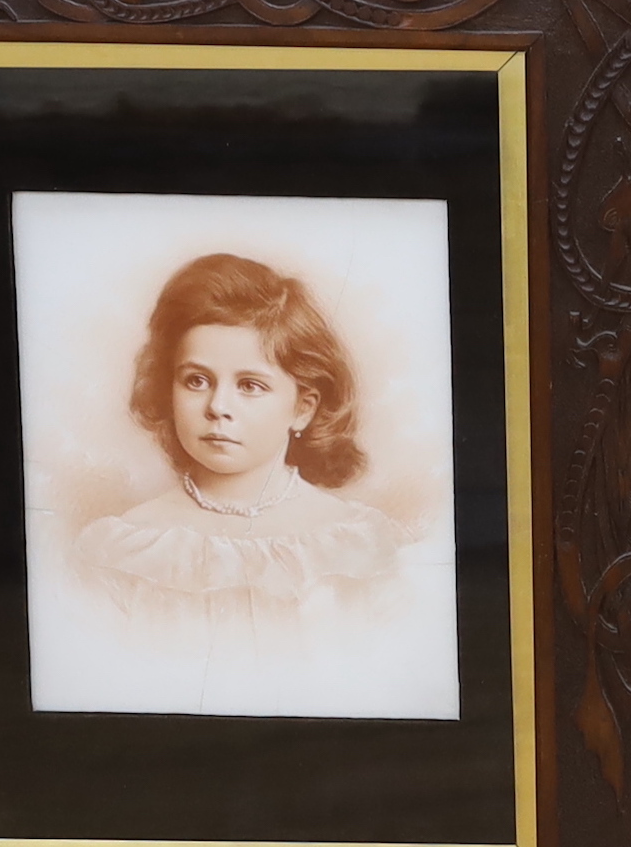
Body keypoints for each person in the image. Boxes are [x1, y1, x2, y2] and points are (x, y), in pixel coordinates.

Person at [72, 253, 408, 701]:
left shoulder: (358, 547)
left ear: (303, 407)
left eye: (250, 385)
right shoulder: (122, 549)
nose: (217, 406)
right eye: (196, 381)